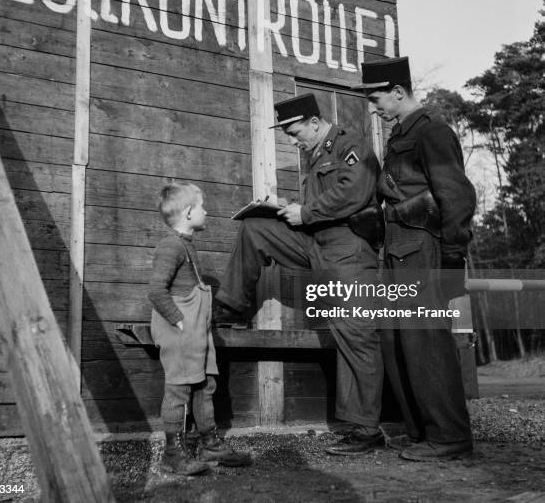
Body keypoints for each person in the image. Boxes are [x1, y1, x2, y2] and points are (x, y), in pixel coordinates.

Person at [214, 93, 386, 455]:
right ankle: (229, 307)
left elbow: (355, 191)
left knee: (356, 337)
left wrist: (305, 212)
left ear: (313, 122)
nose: (292, 140)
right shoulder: (314, 155)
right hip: (315, 244)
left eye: (294, 132)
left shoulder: (350, 145)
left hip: (348, 251)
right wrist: (286, 211)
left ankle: (366, 430)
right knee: (255, 228)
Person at [354, 56, 476, 461]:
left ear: (397, 92)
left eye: (377, 99)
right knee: (398, 341)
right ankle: (425, 432)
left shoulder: (432, 132)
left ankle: (450, 435)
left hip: (422, 252)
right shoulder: (400, 135)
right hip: (398, 251)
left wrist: (452, 260)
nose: (375, 107)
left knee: (427, 343)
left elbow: (456, 198)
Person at [149, 182, 251, 475]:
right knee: (178, 389)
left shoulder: (186, 245)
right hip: (181, 329)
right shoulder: (170, 245)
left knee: (205, 385)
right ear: (190, 212)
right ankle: (171, 454)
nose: (206, 211)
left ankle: (210, 445)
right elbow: (156, 290)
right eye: (202, 206)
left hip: (196, 330)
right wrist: (178, 320)